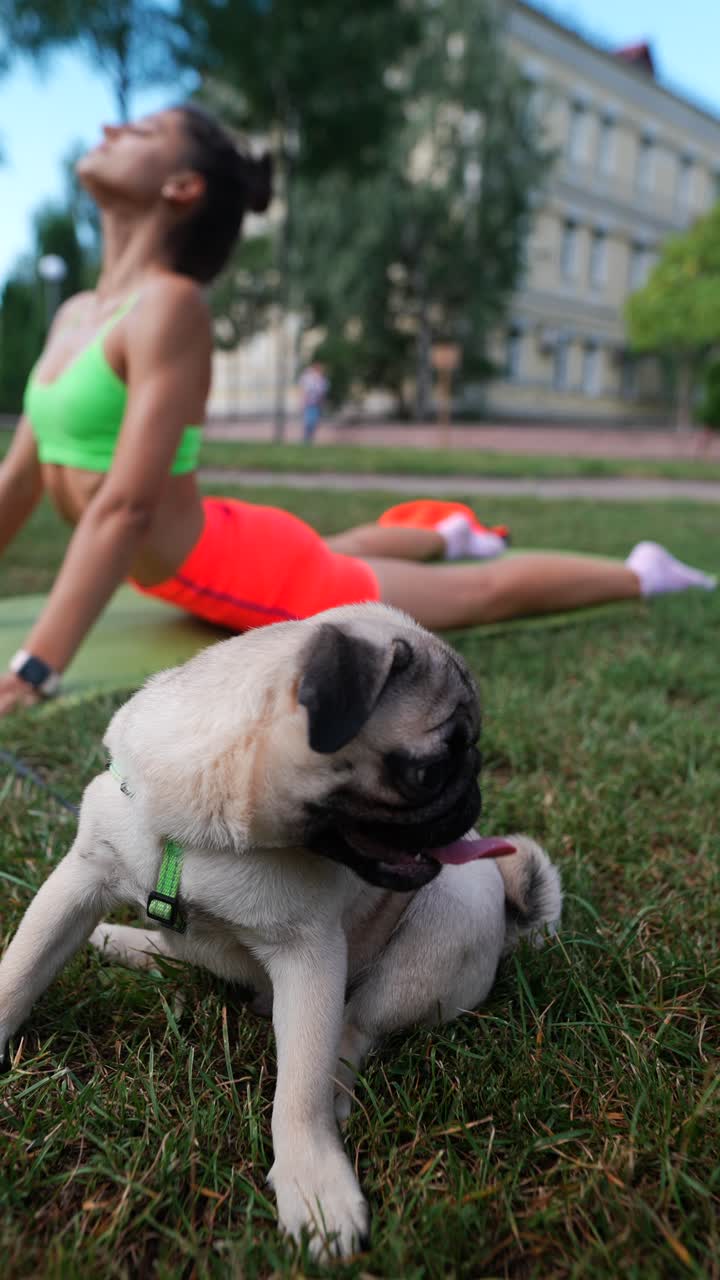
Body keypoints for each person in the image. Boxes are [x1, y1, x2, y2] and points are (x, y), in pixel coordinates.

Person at [0, 106, 715, 717]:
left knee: (479, 593)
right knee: (342, 548)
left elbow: (124, 507)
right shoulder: (75, 315)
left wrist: (37, 667)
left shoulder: (169, 307)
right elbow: (20, 481)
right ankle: (452, 530)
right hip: (219, 539)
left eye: (143, 129)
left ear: (181, 187)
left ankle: (642, 571)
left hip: (245, 574)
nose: (109, 125)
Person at [299, 361, 328, 443]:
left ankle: (309, 439)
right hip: (309, 403)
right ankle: (306, 439)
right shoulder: (309, 378)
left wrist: (322, 403)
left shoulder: (321, 380)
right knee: (308, 422)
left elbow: (322, 393)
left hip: (317, 404)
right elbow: (304, 391)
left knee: (314, 422)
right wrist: (303, 401)